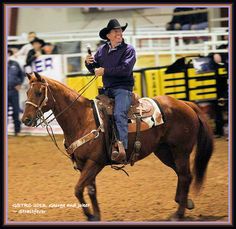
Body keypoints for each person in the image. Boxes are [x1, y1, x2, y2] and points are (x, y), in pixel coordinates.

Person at [85, 19, 136, 163]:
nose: (119, 33)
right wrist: (89, 63)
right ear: (109, 35)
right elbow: (95, 69)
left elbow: (125, 70)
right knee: (94, 113)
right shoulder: (102, 50)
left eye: (120, 31)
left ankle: (122, 148)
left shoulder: (128, 50)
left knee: (119, 114)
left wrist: (104, 71)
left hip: (122, 88)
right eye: (116, 31)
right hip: (108, 89)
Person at [8, 49, 25, 136]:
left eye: (8, 53)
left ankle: (17, 131)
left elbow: (21, 75)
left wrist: (19, 83)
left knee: (15, 111)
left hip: (14, 91)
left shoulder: (15, 64)